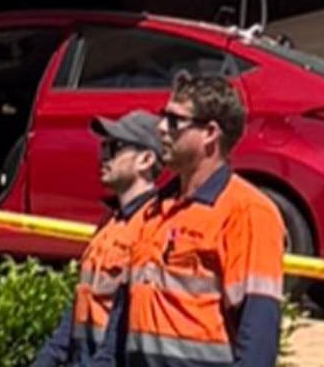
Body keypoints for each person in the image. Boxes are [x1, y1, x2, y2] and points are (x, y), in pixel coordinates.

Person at [117, 73, 286, 367]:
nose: (161, 128)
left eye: (174, 121)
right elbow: (123, 313)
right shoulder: (154, 211)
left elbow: (257, 332)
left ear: (210, 133)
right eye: (162, 117)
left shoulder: (247, 212)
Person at [33, 110, 164, 367]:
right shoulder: (109, 223)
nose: (103, 157)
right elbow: (77, 309)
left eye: (114, 148)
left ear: (146, 159)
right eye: (102, 148)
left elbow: (128, 325)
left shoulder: (153, 226)